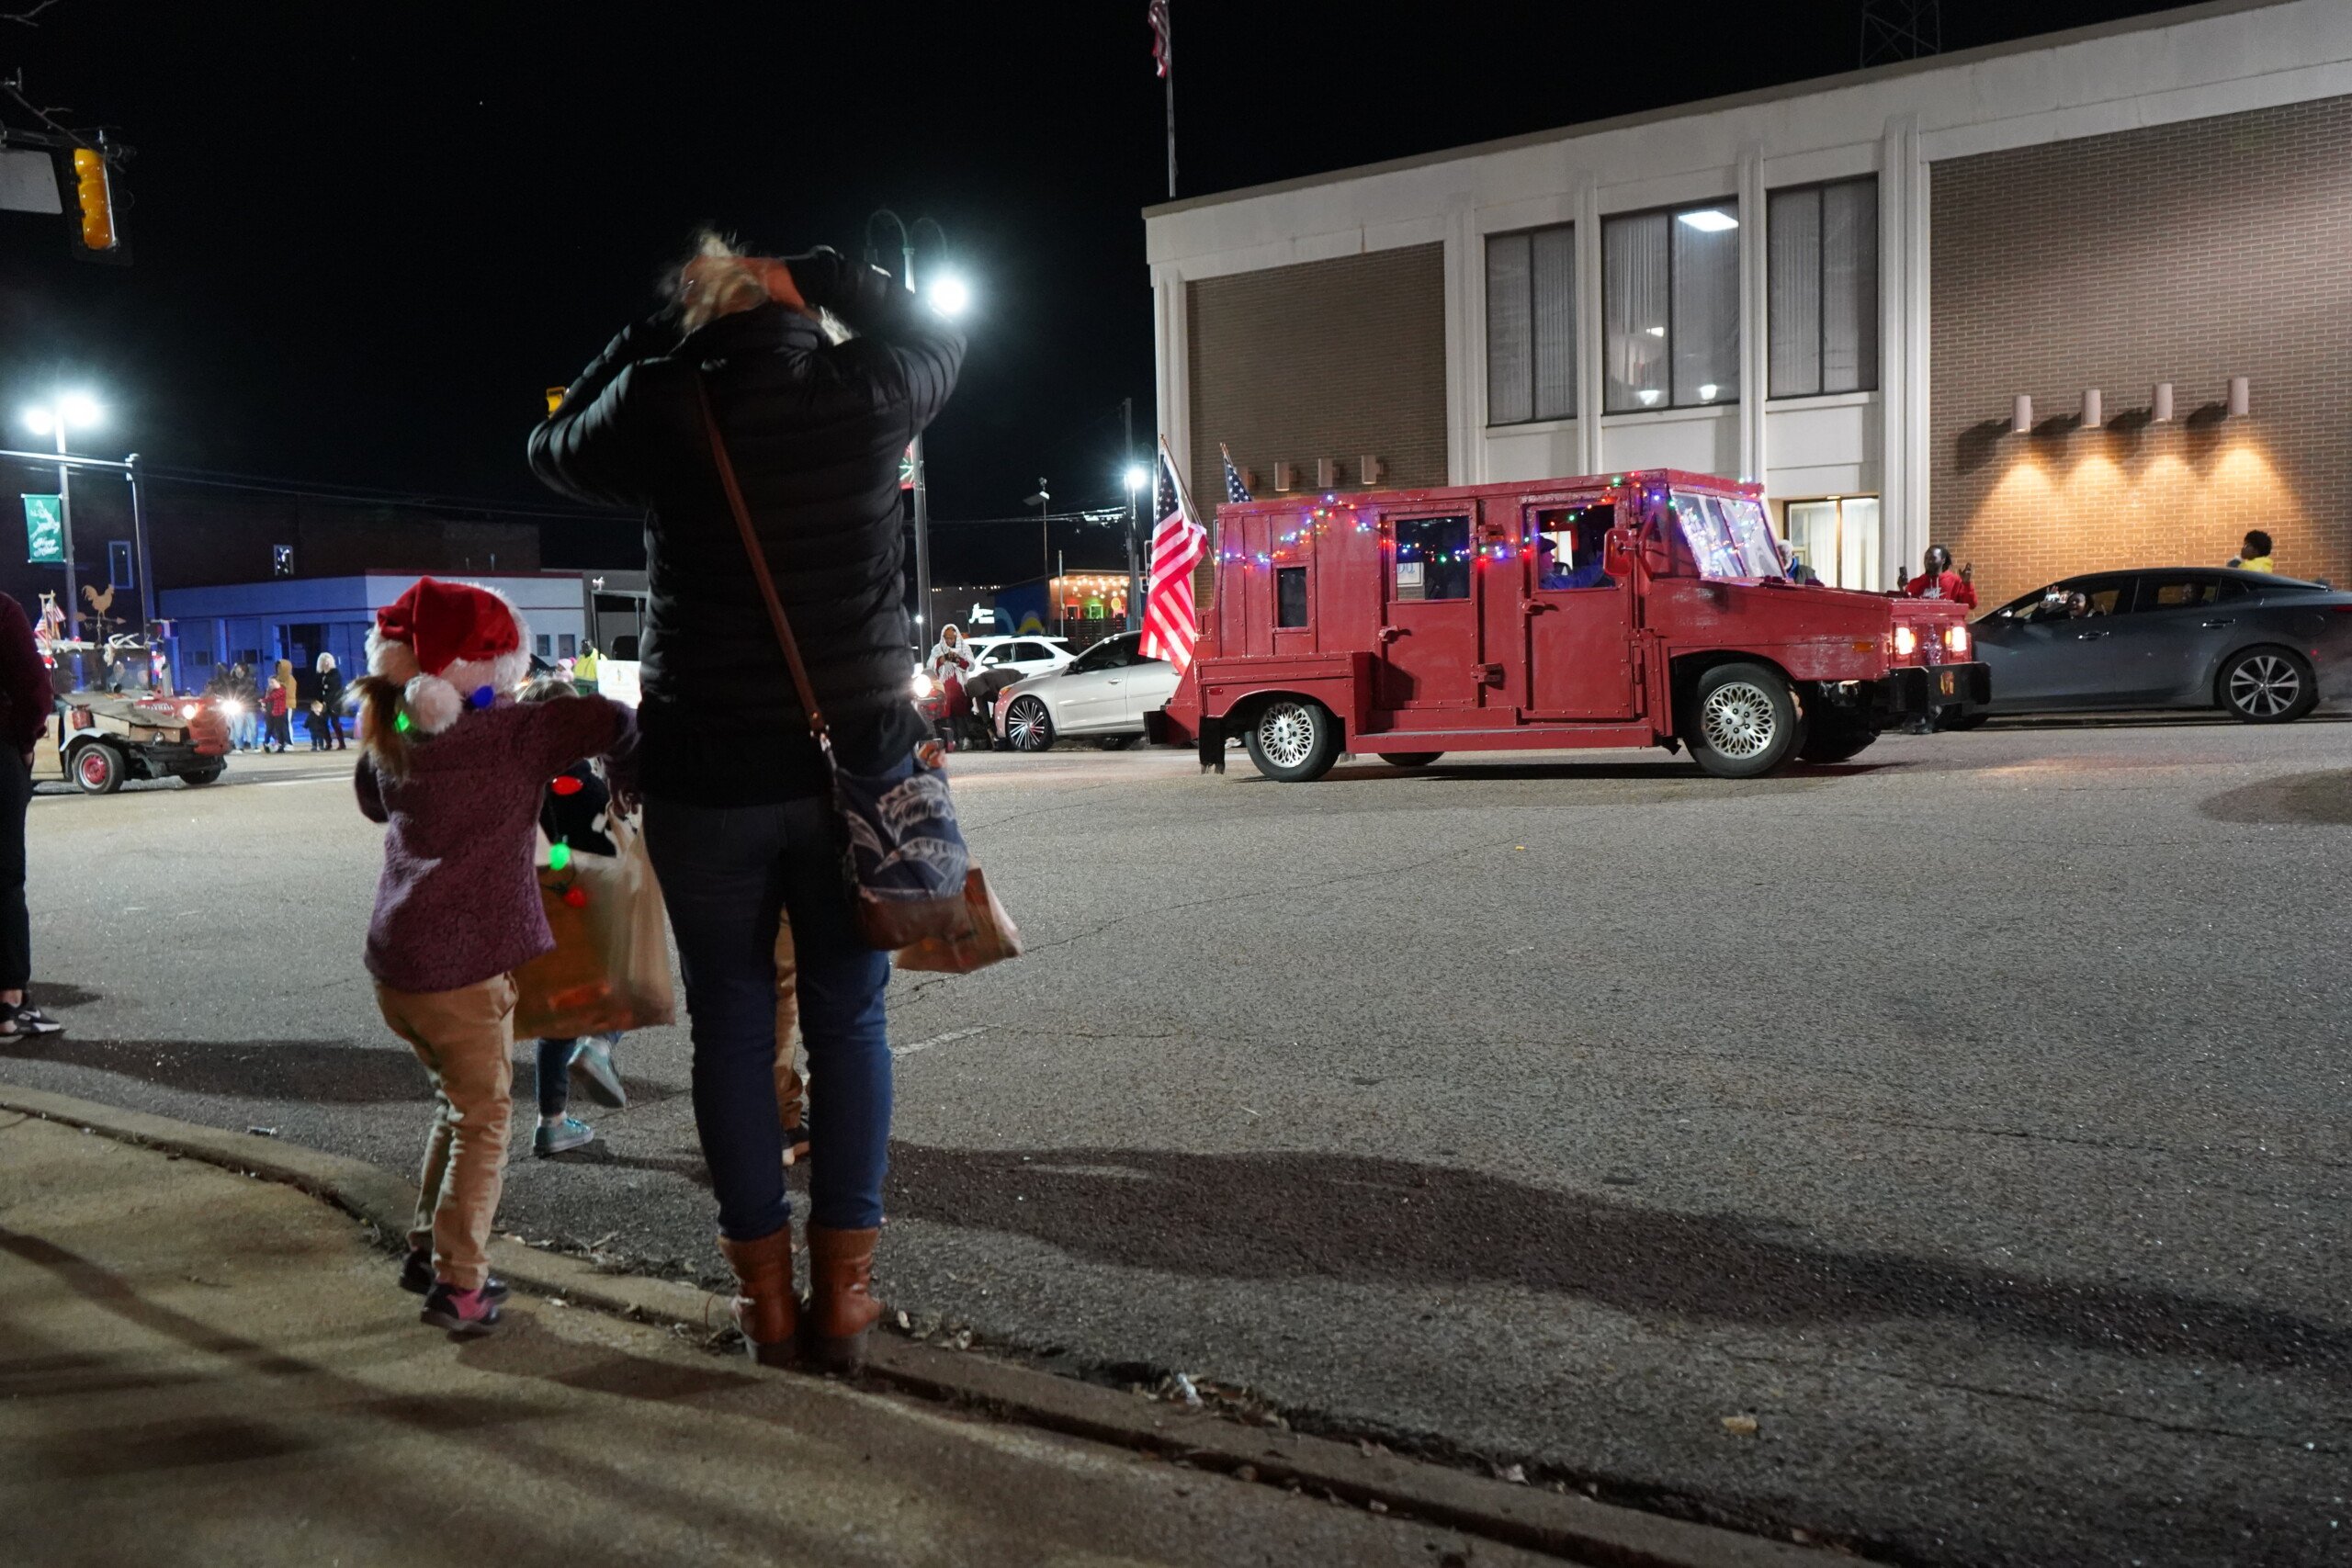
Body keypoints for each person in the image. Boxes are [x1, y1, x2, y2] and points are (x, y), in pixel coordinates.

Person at [528, 229, 964, 1370]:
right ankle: (848, 1299)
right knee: (850, 1019)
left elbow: (551, 443)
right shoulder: (865, 389)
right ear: (793, 309)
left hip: (706, 771)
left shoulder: (661, 402)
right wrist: (822, 276)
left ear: (696, 314)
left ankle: (764, 1302)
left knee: (731, 1023)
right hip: (853, 767)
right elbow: (939, 335)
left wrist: (652, 329)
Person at [354, 577, 635, 1337]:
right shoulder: (514, 734)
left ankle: (427, 1245)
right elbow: (613, 718)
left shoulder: (393, 734)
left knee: (456, 1103)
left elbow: (374, 803)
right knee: (484, 1120)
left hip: (399, 967)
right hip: (464, 969)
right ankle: (460, 1283)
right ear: (490, 664)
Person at [517, 676, 628, 1156]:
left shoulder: (520, 783)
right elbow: (610, 848)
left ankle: (551, 1121)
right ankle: (600, 1047)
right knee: (626, 982)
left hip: (540, 911)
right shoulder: (582, 784)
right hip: (588, 907)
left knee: (556, 1017)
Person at [0, 592, 63, 1039]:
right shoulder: (3, 610)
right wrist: (24, 742)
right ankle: (8, 1004)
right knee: (2, 878)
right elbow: (34, 687)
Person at [1904, 545, 1978, 609]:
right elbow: (1905, 607)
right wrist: (1902, 589)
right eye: (1926, 558)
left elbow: (1971, 605)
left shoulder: (1955, 581)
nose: (1928, 561)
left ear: (1943, 560)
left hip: (1948, 624)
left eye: (1933, 558)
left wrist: (1966, 584)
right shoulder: (1914, 583)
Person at [314, 652, 348, 750]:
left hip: (334, 702)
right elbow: (319, 688)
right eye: (324, 661)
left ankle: (342, 743)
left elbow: (334, 688)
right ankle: (328, 743)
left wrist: (326, 697)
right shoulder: (320, 675)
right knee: (322, 722)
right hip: (323, 702)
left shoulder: (335, 673)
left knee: (335, 722)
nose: (326, 662)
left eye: (328, 660)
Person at [263, 673, 293, 753]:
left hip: (279, 712)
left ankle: (281, 746)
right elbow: (267, 699)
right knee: (269, 729)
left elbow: (273, 697)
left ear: (278, 682)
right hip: (270, 713)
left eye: (272, 682)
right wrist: (264, 706)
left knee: (279, 730)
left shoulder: (282, 690)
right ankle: (266, 743)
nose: (271, 684)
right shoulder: (269, 690)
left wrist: (264, 700)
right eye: (270, 682)